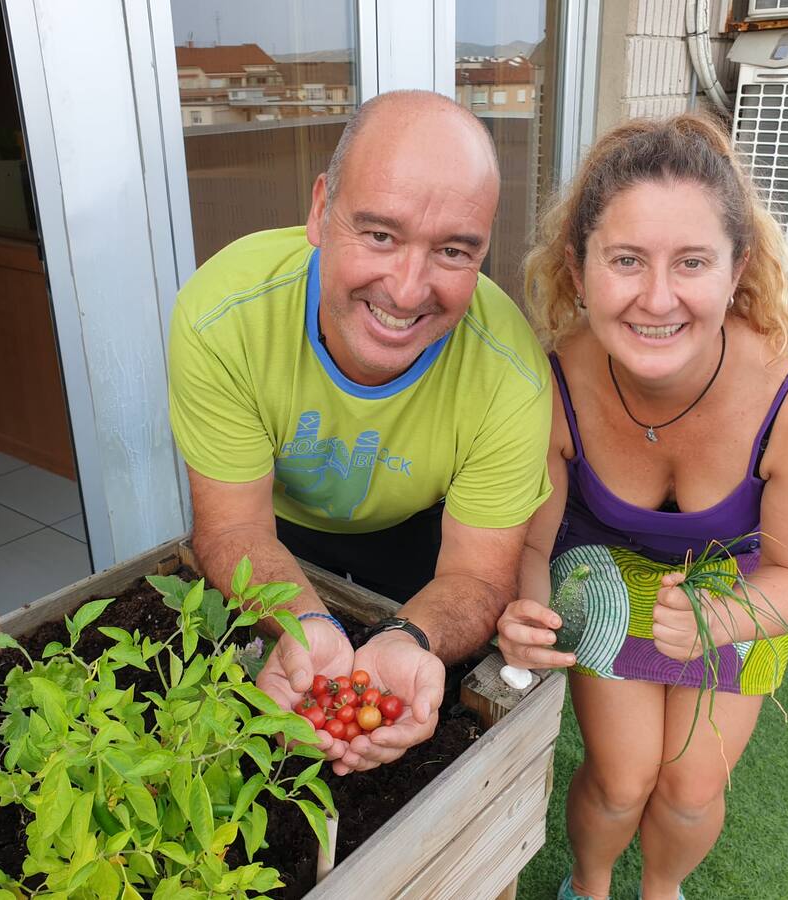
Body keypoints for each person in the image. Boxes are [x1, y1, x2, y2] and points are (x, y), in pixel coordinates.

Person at [496, 114, 788, 900]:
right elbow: (531, 545)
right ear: (577, 265)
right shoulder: (553, 382)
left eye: (691, 261)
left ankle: (662, 893)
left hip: (747, 589)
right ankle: (587, 886)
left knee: (691, 788)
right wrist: (526, 607)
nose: (657, 298)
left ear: (739, 268)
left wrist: (721, 621)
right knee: (623, 780)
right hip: (604, 572)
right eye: (626, 260)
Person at [168, 90, 552, 776]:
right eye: (380, 234)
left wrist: (412, 637)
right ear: (320, 210)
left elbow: (476, 573)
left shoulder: (512, 374)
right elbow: (233, 529)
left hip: (418, 525)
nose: (406, 290)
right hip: (276, 521)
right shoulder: (223, 314)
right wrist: (307, 624)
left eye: (454, 251)